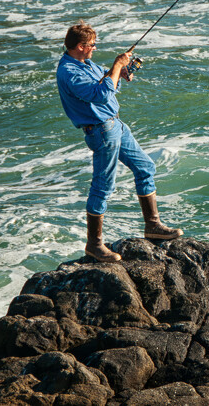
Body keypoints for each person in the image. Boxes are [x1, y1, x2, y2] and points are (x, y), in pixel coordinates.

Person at [56, 21, 182, 262]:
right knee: (102, 186)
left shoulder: (85, 63)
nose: (94, 48)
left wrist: (119, 73)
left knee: (145, 167)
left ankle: (152, 226)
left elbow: (105, 83)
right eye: (92, 45)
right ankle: (94, 245)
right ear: (81, 46)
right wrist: (116, 65)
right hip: (102, 131)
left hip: (115, 126)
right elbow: (101, 95)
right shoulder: (69, 72)